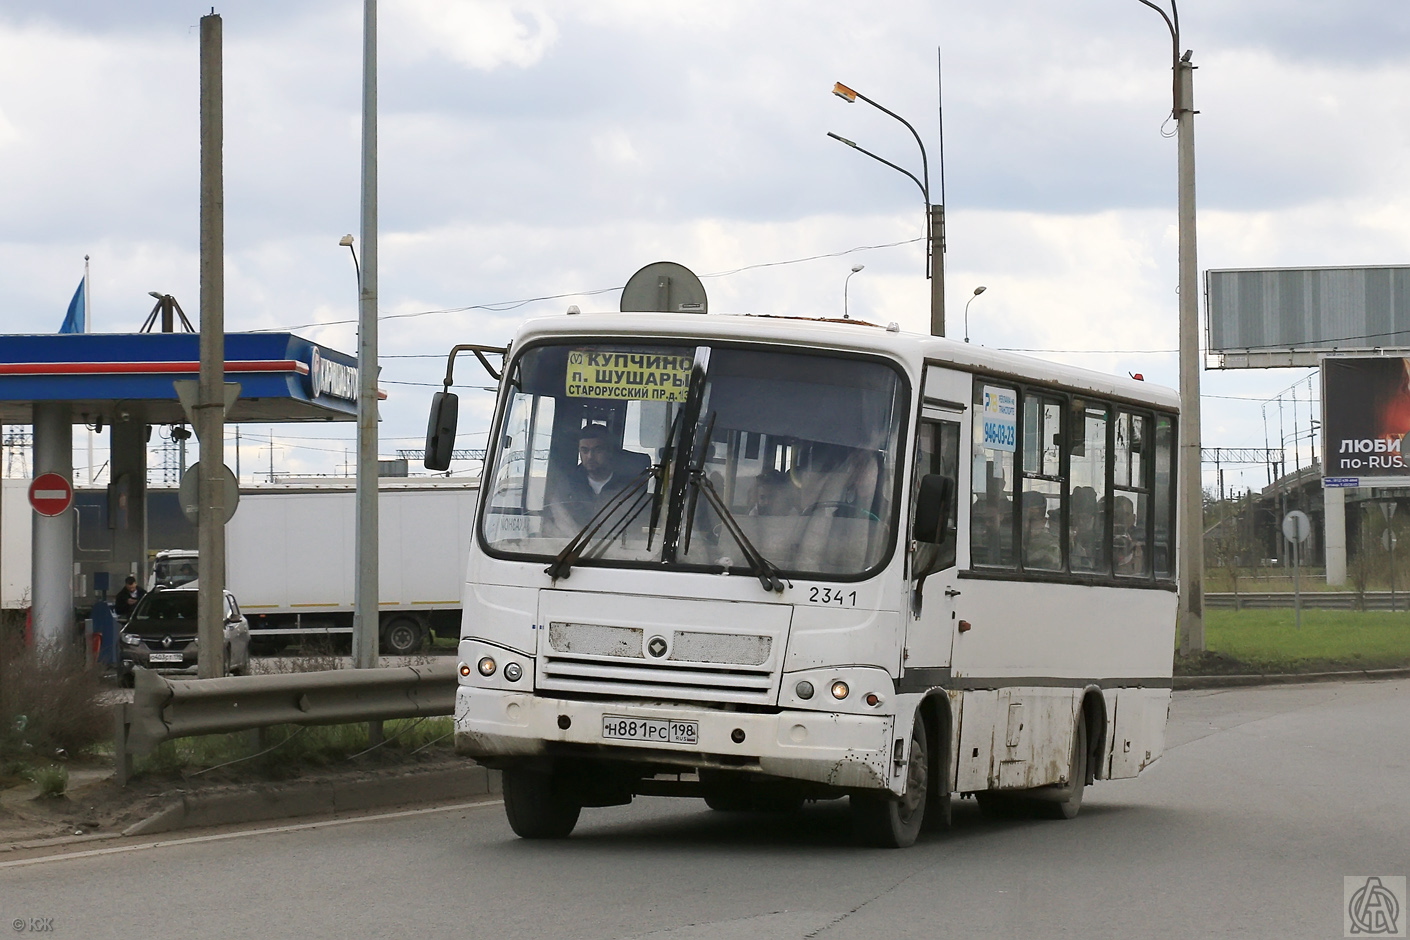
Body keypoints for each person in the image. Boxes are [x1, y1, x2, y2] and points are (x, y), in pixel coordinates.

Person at [1022, 490, 1061, 570]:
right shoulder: (1010, 539)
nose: (1026, 525)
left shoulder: (1050, 547)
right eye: (1022, 520)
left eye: (1033, 521)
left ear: (1044, 522)